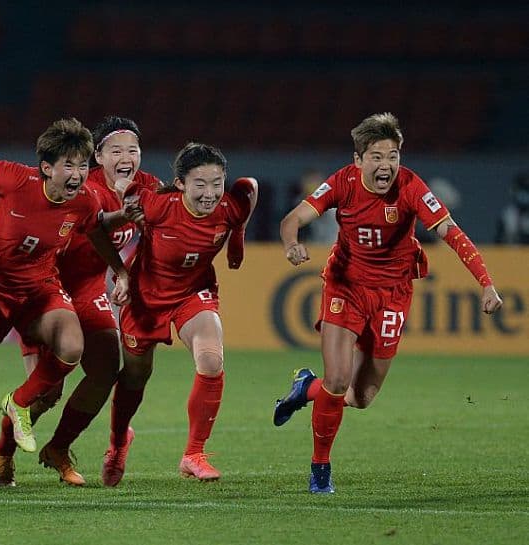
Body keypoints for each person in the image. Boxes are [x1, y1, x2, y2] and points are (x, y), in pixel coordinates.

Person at [274, 113, 503, 494]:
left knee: (360, 397)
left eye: (393, 155)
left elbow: (452, 233)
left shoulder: (411, 186)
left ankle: (305, 387)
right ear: (358, 159)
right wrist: (291, 244)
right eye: (377, 156)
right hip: (345, 287)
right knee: (338, 379)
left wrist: (486, 283)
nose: (386, 165)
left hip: (393, 294)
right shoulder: (342, 183)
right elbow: (292, 219)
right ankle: (320, 470)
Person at [0, 118, 130, 491]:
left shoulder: (86, 201)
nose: (78, 173)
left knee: (72, 347)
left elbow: (95, 231)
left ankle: (17, 406)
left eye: (83, 165)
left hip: (41, 288)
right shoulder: (12, 177)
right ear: (46, 167)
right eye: (69, 165)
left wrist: (121, 271)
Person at [0, 116, 158, 488]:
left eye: (133, 149)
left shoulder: (147, 188)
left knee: (103, 371)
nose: (125, 156)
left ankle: (59, 448)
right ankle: (3, 451)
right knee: (46, 392)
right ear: (97, 156)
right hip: (46, 288)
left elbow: (159, 232)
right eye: (115, 150)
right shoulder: (86, 187)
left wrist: (126, 273)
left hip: (88, 289)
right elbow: (94, 225)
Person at [108, 143, 256, 485]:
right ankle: (117, 442)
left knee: (211, 360)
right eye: (200, 184)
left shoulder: (230, 207)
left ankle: (194, 454)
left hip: (193, 293)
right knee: (135, 376)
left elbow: (250, 188)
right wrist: (121, 273)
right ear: (180, 184)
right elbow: (124, 196)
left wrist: (238, 238)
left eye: (217, 183)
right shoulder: (159, 205)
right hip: (145, 298)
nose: (210, 193)